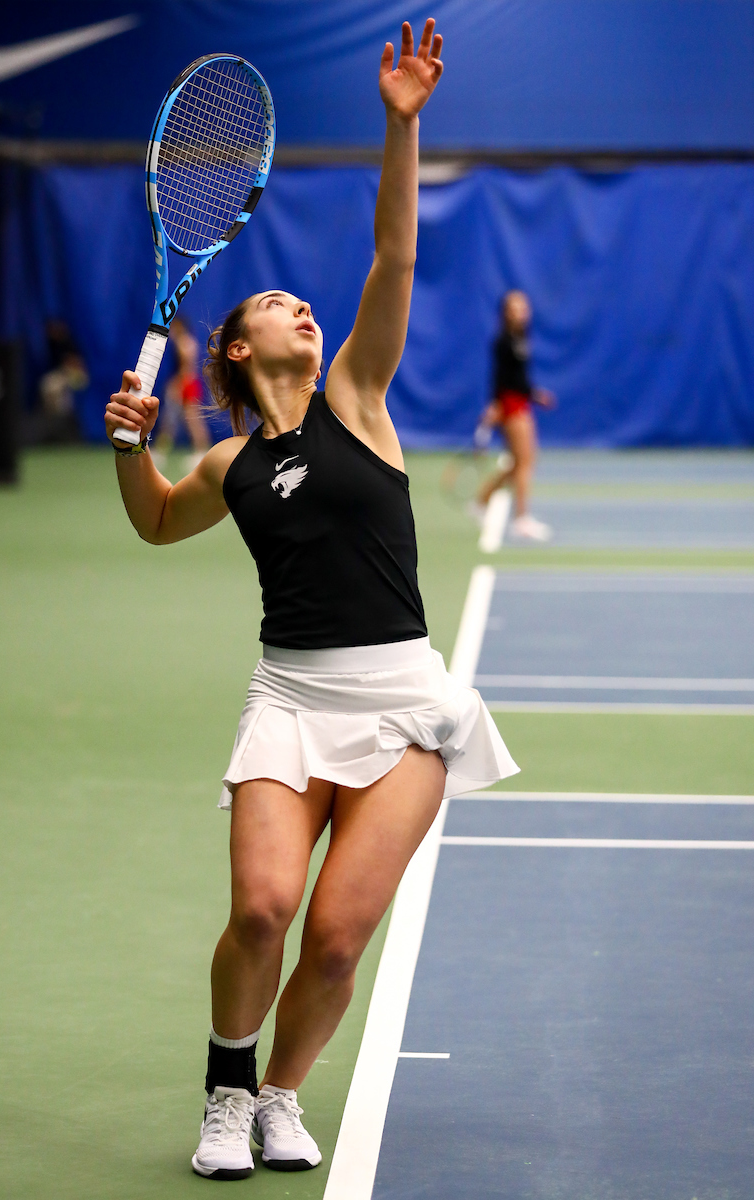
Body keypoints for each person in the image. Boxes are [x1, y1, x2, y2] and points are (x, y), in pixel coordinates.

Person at [105, 20, 517, 1181]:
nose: (301, 308)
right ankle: (227, 1093)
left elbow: (394, 262)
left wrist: (402, 121)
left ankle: (283, 1095)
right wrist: (129, 448)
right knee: (263, 909)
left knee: (336, 938)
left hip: (400, 707)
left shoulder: (358, 399)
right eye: (274, 304)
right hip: (290, 698)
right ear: (233, 351)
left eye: (301, 302)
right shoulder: (228, 467)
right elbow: (150, 521)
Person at [473, 289, 556, 540]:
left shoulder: (521, 338)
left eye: (524, 307)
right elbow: (502, 378)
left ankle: (481, 501)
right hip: (510, 404)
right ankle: (521, 519)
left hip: (521, 401)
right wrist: (495, 405)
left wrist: (533, 393)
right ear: (505, 313)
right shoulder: (503, 342)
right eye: (515, 308)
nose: (521, 312)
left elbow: (519, 377)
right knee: (525, 462)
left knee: (521, 461)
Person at [152, 316, 212, 471]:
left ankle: (201, 453)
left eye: (172, 327)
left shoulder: (184, 343)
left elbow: (187, 369)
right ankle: (161, 451)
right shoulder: (185, 342)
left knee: (191, 420)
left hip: (188, 384)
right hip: (187, 383)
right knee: (170, 420)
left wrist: (177, 386)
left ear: (179, 326)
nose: (170, 332)